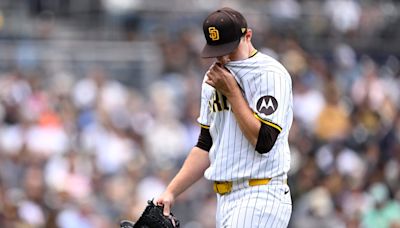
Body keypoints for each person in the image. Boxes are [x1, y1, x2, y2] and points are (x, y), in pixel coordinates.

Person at [156, 7, 293, 227]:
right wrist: (171, 192)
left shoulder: (269, 73)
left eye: (229, 48)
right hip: (225, 199)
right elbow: (204, 145)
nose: (224, 57)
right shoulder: (212, 79)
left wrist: (232, 92)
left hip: (261, 193)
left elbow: (264, 141)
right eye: (218, 51)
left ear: (247, 35)